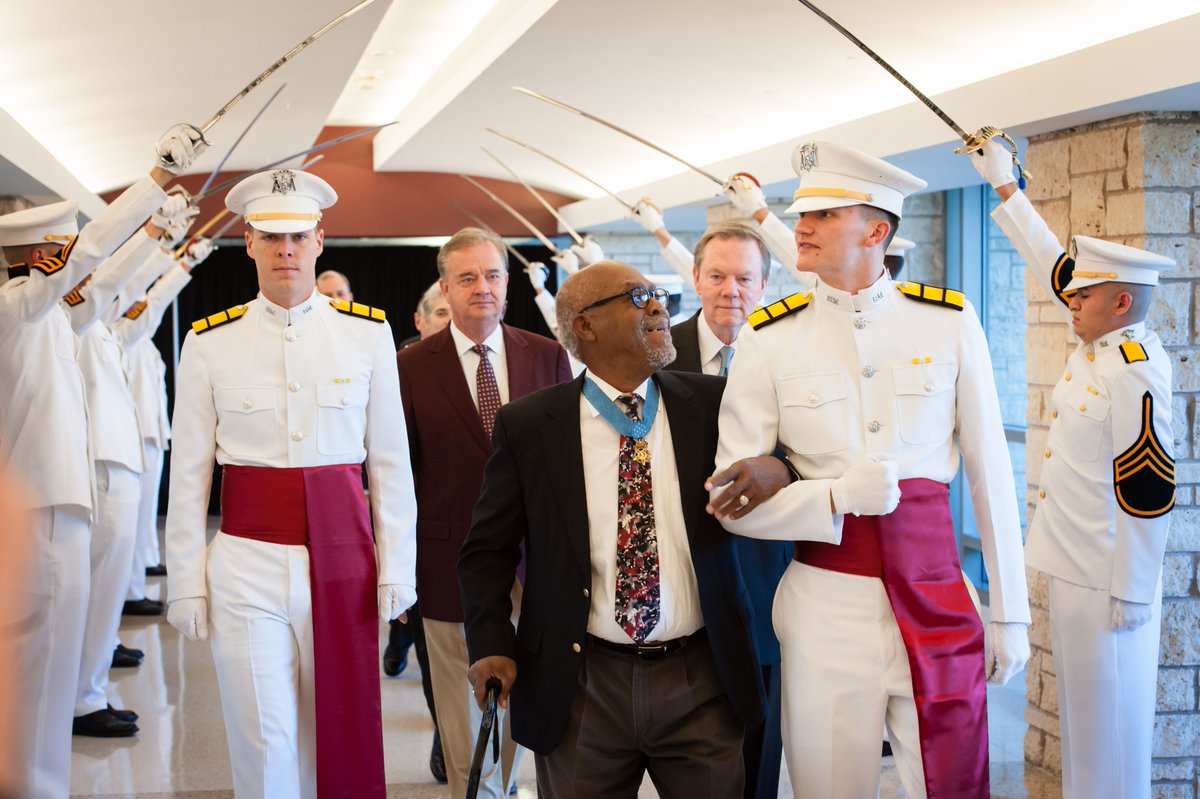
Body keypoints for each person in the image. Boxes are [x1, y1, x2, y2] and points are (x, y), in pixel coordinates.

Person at [711, 141, 1030, 799]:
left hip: (940, 595)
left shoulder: (947, 322)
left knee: (950, 780)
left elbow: (990, 472)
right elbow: (728, 499)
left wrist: (1011, 614)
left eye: (825, 214)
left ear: (876, 230)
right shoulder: (769, 340)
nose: (801, 225)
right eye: (802, 212)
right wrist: (831, 495)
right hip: (826, 609)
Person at [459, 261, 767, 798]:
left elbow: (789, 460)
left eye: (659, 295)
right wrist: (490, 641)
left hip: (701, 676)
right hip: (580, 683)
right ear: (585, 325)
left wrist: (778, 466)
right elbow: (488, 550)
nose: (659, 306)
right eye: (638, 296)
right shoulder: (530, 424)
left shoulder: (713, 406)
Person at [165, 169, 417, 799]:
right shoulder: (209, 342)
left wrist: (397, 568)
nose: (286, 250)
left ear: (319, 241)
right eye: (271, 237)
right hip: (246, 562)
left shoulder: (367, 334)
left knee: (333, 724)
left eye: (298, 237)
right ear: (247, 241)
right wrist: (185, 582)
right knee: (264, 739)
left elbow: (389, 461)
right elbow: (190, 475)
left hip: (344, 564)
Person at [971, 138, 1175, 799]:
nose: (1069, 303)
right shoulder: (1099, 342)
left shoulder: (1134, 367)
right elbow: (1054, 267)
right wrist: (1007, 188)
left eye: (1083, 297)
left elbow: (1148, 486)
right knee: (1088, 727)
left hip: (1108, 580)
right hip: (1072, 563)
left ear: (1119, 304)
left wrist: (1134, 590)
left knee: (1115, 730)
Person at [0, 124, 200, 798]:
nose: (70, 259)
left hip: (63, 498)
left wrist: (155, 240)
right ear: (36, 255)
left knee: (52, 669)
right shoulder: (13, 308)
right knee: (39, 662)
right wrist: (150, 181)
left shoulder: (52, 314)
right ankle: (31, 783)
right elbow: (87, 260)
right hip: (39, 505)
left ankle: (43, 779)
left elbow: (107, 280)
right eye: (57, 251)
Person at [396, 227, 571, 799]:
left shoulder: (545, 357)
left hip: (535, 563)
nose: (482, 288)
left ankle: (509, 786)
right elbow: (397, 477)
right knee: (459, 705)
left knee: (527, 695)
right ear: (445, 288)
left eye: (492, 275)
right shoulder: (410, 368)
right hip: (448, 562)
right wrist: (396, 572)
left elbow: (567, 464)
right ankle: (479, 793)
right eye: (467, 277)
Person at [661, 222, 790, 799]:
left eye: (744, 278)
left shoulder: (791, 351)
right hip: (680, 556)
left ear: (765, 283)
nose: (729, 290)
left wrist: (783, 468)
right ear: (695, 278)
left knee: (762, 717)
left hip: (768, 564)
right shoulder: (658, 351)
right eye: (716, 276)